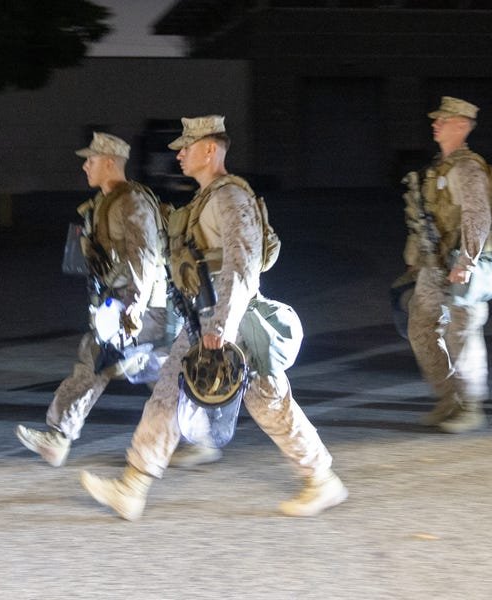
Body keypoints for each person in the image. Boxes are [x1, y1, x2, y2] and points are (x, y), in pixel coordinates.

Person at [79, 116, 347, 520]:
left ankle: (322, 479)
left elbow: (242, 267)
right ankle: (132, 486)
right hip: (203, 319)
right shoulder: (205, 198)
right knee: (168, 394)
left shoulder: (230, 198)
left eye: (187, 146)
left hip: (228, 321)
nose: (180, 153)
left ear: (210, 149)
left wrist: (220, 326)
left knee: (270, 401)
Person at [15, 132, 219, 468]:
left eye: (91, 160)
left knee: (96, 357)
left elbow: (144, 253)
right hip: (130, 303)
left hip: (144, 306)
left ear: (110, 162)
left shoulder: (131, 200)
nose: (85, 166)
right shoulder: (104, 202)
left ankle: (58, 436)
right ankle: (200, 439)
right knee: (158, 369)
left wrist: (133, 305)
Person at [404, 97, 492, 433]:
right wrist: (416, 261)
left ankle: (471, 407)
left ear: (461, 125)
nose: (436, 124)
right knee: (420, 328)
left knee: (462, 333)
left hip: (462, 265)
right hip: (434, 265)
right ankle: (447, 398)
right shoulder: (439, 167)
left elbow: (478, 214)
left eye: (443, 120)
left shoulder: (467, 167)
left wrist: (467, 260)